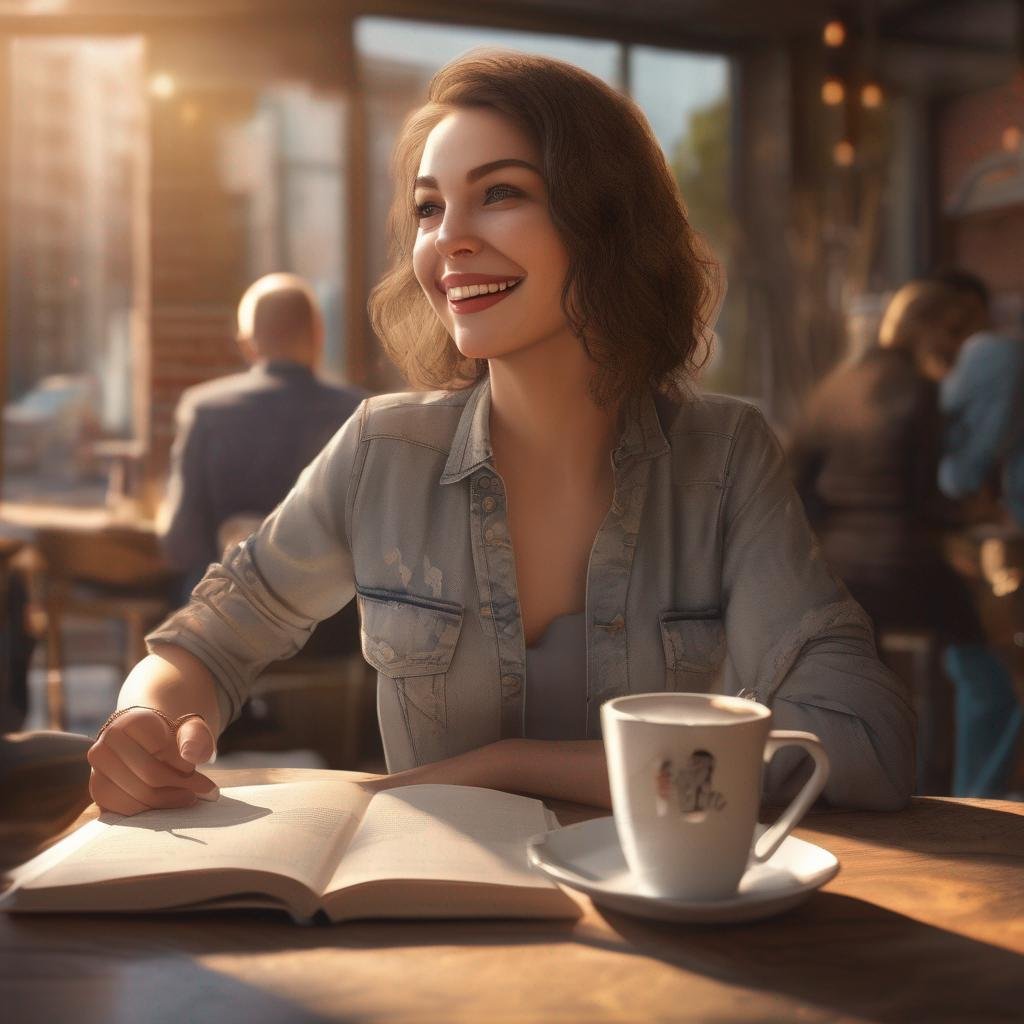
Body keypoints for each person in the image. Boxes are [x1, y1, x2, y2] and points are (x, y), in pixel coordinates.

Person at [87, 49, 915, 818]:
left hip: (670, 938)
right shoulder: (382, 448)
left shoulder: (725, 457)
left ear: (606, 223)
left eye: (502, 192)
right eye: (428, 206)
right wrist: (144, 719)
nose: (448, 238)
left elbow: (863, 742)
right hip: (441, 941)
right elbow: (206, 643)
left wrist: (508, 767)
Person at [789, 279, 1016, 796]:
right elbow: (924, 495)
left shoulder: (836, 385)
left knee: (875, 683)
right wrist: (970, 518)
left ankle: (872, 787)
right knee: (990, 682)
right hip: (907, 563)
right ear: (937, 333)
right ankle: (978, 798)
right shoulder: (921, 389)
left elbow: (797, 486)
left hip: (842, 570)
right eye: (960, 336)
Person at [157, 272, 366, 659]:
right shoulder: (361, 413)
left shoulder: (205, 409)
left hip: (230, 634)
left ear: (248, 344)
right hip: (337, 635)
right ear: (318, 335)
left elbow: (181, 543)